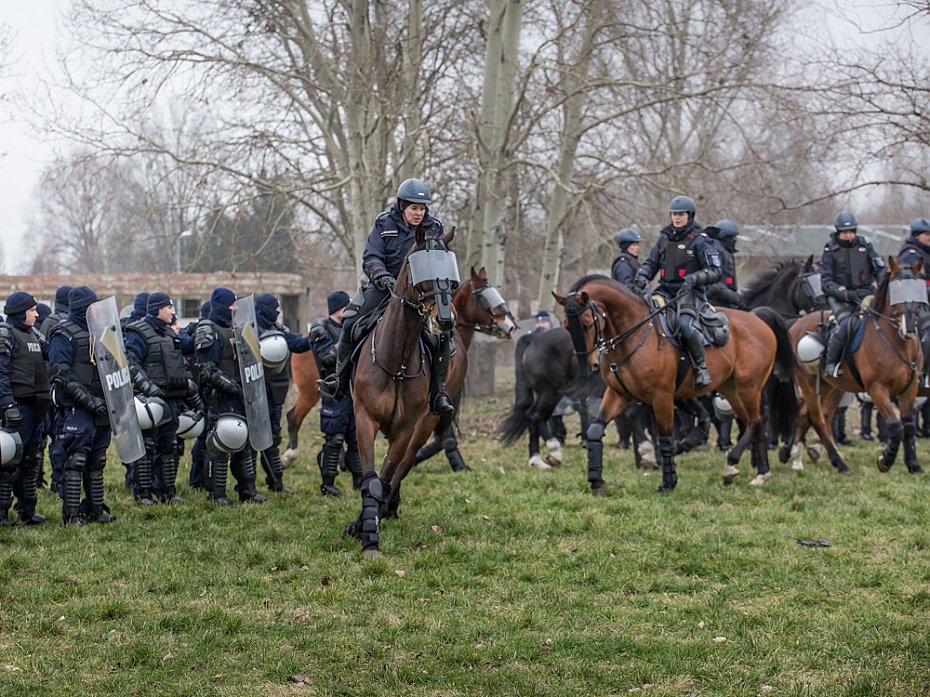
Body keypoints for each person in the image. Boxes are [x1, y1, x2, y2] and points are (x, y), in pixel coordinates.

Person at [317, 178, 455, 414]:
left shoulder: (434, 228)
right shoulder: (384, 224)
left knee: (442, 333)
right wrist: (382, 277)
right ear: (403, 206)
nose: (418, 213)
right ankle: (338, 381)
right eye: (414, 208)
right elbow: (371, 257)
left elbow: (440, 260)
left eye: (422, 209)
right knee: (351, 321)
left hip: (420, 293)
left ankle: (438, 392)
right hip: (383, 288)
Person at [632, 195, 722, 388]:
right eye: (674, 214)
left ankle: (701, 369)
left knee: (685, 325)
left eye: (680, 214)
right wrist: (642, 276)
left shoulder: (700, 240)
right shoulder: (664, 238)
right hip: (665, 290)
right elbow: (651, 263)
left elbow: (715, 271)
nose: (676, 218)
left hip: (690, 293)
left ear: (689, 216)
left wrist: (694, 278)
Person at [48, 286, 115, 524]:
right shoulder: (63, 334)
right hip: (78, 407)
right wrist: (89, 401)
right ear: (86, 307)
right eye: (94, 304)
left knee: (97, 460)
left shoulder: (101, 332)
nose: (98, 308)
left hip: (103, 406)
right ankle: (71, 515)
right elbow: (61, 373)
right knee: (75, 459)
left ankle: (95, 510)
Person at [194, 287, 265, 505]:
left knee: (245, 444)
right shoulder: (209, 330)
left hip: (242, 396)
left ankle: (248, 490)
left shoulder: (237, 329)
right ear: (223, 306)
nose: (235, 308)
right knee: (220, 445)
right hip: (220, 396)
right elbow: (207, 371)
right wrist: (233, 388)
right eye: (231, 305)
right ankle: (218, 494)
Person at [124, 291, 193, 505]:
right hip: (149, 400)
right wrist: (148, 388)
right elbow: (131, 363)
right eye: (169, 307)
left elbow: (186, 349)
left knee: (169, 445)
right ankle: (143, 493)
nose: (173, 311)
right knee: (147, 445)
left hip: (171, 397)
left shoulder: (169, 332)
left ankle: (167, 492)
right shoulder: (138, 332)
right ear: (157, 309)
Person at [0, 292, 50, 525]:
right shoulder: (5, 335)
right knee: (9, 462)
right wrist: (8, 404)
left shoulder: (34, 335)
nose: (37, 314)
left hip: (36, 406)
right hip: (17, 408)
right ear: (21, 312)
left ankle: (27, 511)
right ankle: (1, 515)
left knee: (31, 460)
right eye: (32, 310)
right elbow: (1, 375)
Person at [254, 293, 312, 494]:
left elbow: (296, 344)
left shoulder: (278, 329)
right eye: (274, 308)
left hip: (276, 391)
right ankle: (248, 487)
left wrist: (314, 337)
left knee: (273, 437)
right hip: (256, 391)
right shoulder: (251, 330)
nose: (277, 311)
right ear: (264, 309)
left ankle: (275, 483)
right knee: (253, 441)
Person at [821, 211, 885, 377]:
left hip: (865, 294)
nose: (848, 236)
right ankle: (831, 364)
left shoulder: (866, 245)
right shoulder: (830, 250)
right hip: (841, 298)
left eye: (851, 232)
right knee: (847, 325)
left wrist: (881, 287)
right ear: (838, 232)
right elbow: (826, 282)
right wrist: (845, 294)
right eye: (844, 233)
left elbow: (880, 270)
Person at [310, 290, 362, 496]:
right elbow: (326, 359)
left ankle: (360, 480)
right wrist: (346, 342)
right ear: (338, 308)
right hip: (333, 389)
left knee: (356, 438)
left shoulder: (348, 327)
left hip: (353, 389)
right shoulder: (321, 329)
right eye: (346, 306)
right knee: (335, 438)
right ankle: (328, 484)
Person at [897, 217, 930, 388]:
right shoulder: (910, 254)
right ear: (917, 236)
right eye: (927, 235)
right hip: (916, 303)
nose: (929, 238)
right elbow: (911, 283)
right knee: (927, 334)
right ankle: (922, 373)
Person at [704, 219, 745, 309]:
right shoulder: (716, 252)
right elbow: (714, 284)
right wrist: (734, 297)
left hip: (726, 301)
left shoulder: (727, 252)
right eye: (733, 237)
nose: (736, 240)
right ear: (725, 237)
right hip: (714, 302)